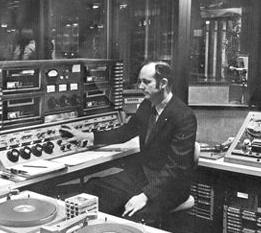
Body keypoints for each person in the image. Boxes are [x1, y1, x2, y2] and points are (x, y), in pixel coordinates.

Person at [61, 61, 197, 224]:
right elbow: (125, 132)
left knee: (133, 213)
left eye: (146, 82)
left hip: (170, 187)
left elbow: (176, 168)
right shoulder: (147, 105)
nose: (140, 86)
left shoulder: (184, 116)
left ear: (163, 83)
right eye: (139, 81)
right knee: (94, 187)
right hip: (143, 176)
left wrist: (144, 196)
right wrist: (86, 135)